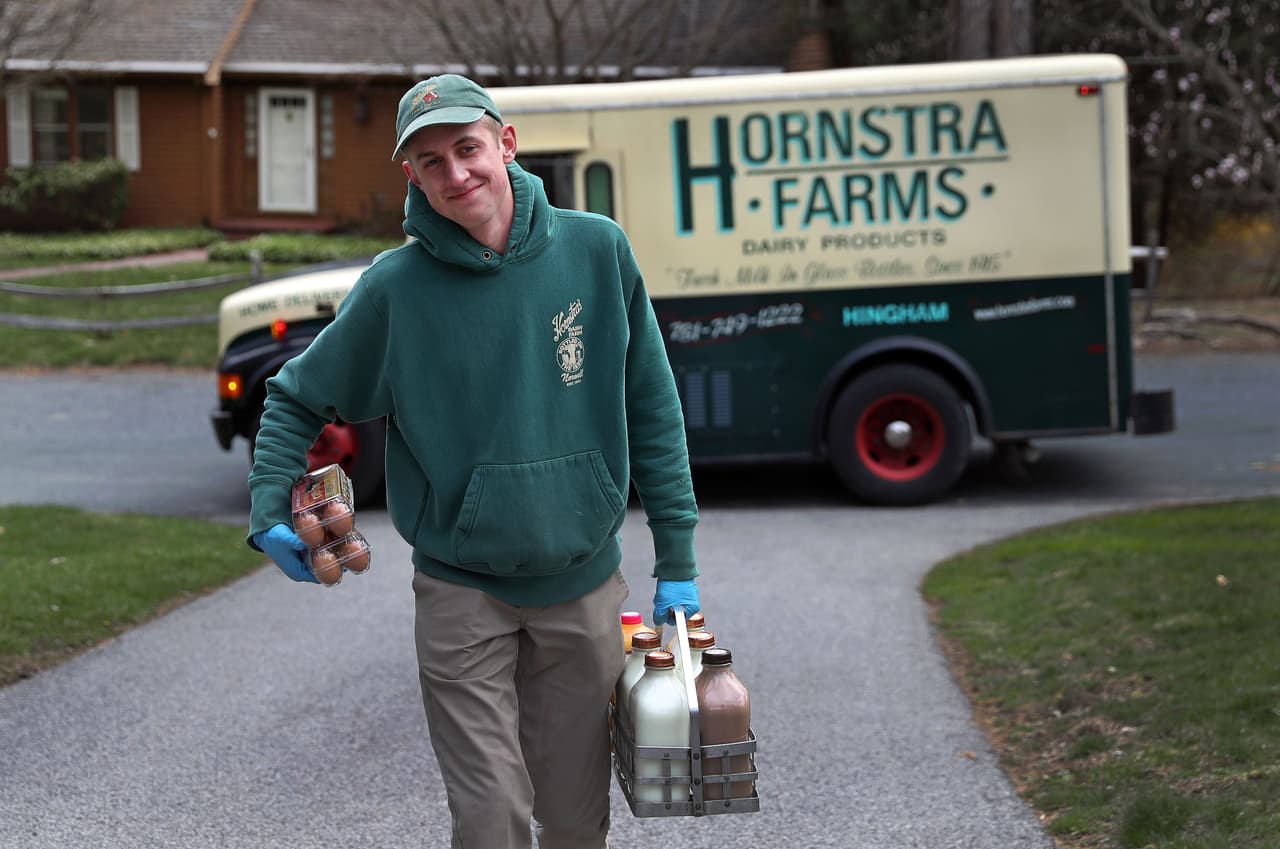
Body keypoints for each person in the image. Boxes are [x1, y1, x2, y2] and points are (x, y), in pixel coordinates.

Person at [247, 73, 701, 849]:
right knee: (490, 818)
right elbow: (294, 397)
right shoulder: (395, 290)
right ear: (412, 175)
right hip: (462, 592)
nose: (456, 174)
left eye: (467, 148)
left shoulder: (598, 251)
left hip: (583, 584)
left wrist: (678, 561)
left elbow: (653, 407)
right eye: (432, 161)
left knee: (575, 822)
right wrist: (268, 512)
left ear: (506, 143)